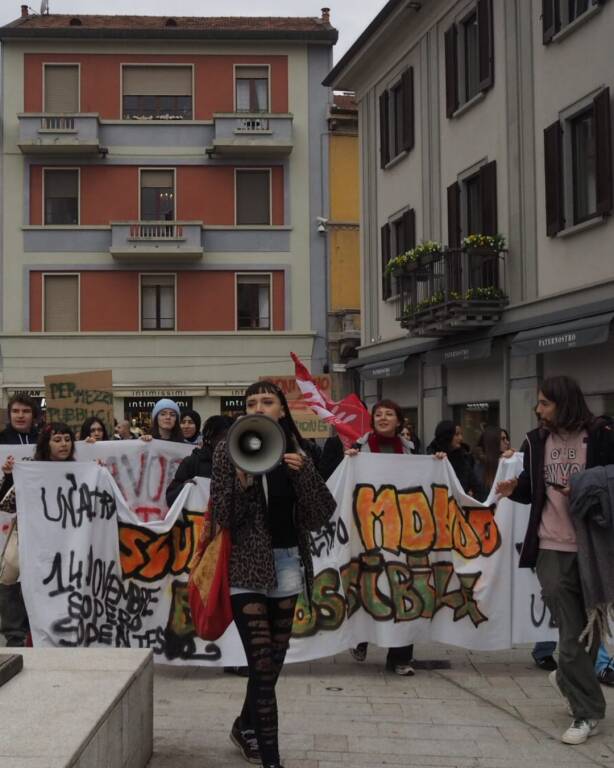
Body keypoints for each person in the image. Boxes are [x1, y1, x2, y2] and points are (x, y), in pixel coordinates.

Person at [210, 380, 336, 768]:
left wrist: (303, 474)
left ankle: (244, 724)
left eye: (268, 401)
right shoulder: (227, 450)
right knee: (262, 667)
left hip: (286, 564)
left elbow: (320, 515)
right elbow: (224, 518)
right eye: (252, 402)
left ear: (283, 409)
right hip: (247, 568)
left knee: (272, 666)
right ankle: (271, 759)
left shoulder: (298, 451)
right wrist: (244, 482)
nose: (259, 407)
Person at [497, 376, 614, 745]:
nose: (538, 410)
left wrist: (583, 487)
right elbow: (534, 492)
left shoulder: (601, 435)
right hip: (550, 547)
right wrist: (514, 490)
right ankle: (588, 712)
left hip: (593, 547)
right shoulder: (535, 441)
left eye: (545, 403)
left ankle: (567, 678)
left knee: (590, 629)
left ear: (564, 403)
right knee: (569, 633)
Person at [346, 399, 442, 676]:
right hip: (369, 530)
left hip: (403, 532)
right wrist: (349, 461)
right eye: (379, 414)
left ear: (399, 421)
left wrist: (435, 463)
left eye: (389, 414)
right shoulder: (359, 449)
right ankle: (361, 638)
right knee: (369, 585)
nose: (383, 418)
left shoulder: (412, 451)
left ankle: (400, 657)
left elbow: (424, 483)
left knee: (405, 588)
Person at [0, 422, 76, 646]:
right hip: (28, 533)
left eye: (67, 439)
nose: (64, 444)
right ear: (46, 443)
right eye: (57, 439)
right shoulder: (30, 468)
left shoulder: (80, 469)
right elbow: (6, 506)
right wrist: (10, 478)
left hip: (64, 537)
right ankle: (15, 634)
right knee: (10, 569)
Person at [0, 394, 39, 647]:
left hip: (43, 519)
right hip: (13, 521)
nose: (21, 415)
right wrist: (5, 476)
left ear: (34, 415)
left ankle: (36, 629)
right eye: (16, 411)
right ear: (10, 414)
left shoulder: (44, 440)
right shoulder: (1, 443)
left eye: (26, 411)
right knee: (9, 574)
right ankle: (15, 634)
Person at [166, 415, 233, 506]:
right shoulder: (191, 462)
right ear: (210, 438)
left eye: (231, 436)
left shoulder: (240, 464)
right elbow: (170, 498)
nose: (225, 442)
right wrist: (183, 488)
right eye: (221, 436)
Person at [427, 420, 482, 498]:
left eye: (461, 434)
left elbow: (477, 487)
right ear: (446, 436)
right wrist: (437, 462)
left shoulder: (464, 458)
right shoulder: (432, 457)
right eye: (457, 434)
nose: (461, 438)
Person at [472, 426, 515, 502]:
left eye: (507, 439)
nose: (507, 442)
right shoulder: (480, 466)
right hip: (487, 511)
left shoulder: (509, 460)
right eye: (503, 439)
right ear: (493, 441)